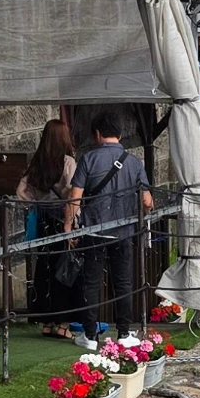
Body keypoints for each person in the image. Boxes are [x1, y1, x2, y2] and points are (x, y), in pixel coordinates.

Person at [72, 109, 153, 342]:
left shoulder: (88, 159)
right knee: (123, 282)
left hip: (94, 230)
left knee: (91, 283)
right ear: (119, 134)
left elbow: (74, 199)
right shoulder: (134, 162)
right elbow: (147, 201)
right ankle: (124, 333)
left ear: (97, 134)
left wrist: (69, 227)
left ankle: (89, 336)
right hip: (123, 231)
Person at [20, 117, 83, 336]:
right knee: (64, 270)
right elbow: (74, 192)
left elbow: (21, 192)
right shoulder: (68, 162)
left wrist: (37, 202)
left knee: (44, 269)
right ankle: (62, 323)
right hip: (63, 220)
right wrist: (71, 221)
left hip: (43, 220)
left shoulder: (37, 162)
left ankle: (46, 321)